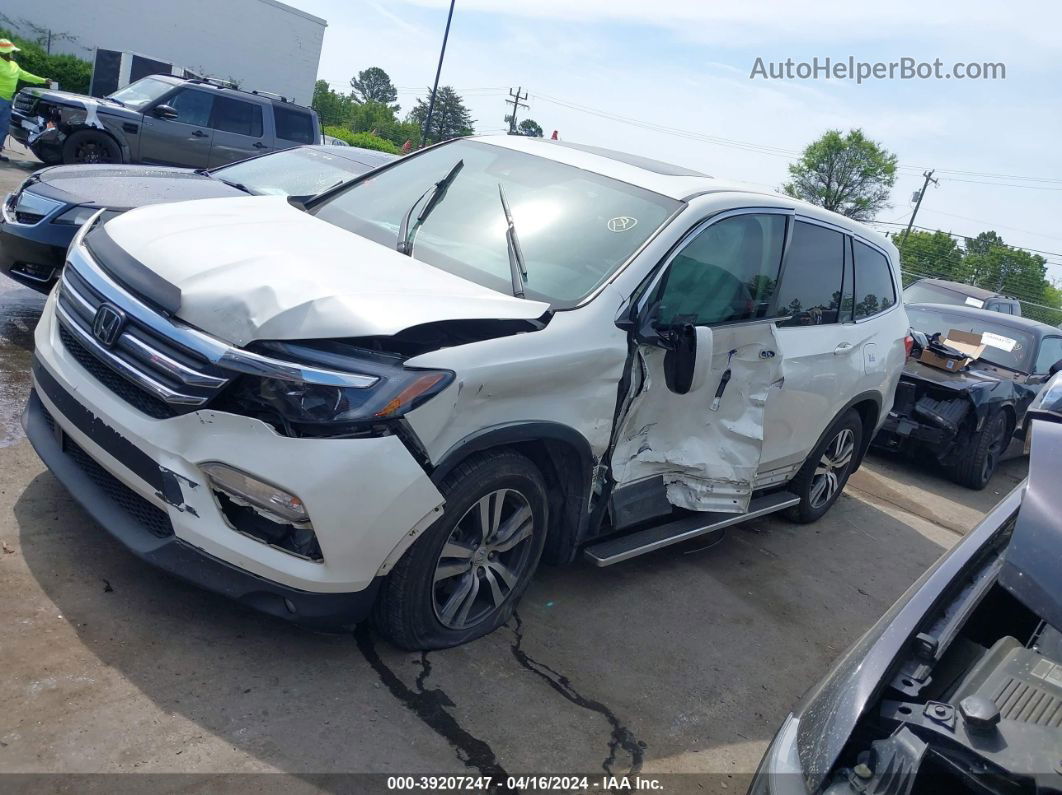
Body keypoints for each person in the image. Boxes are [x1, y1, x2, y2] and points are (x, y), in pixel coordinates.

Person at [0, 39, 50, 162]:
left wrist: (43, 80)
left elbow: (26, 75)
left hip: (6, 101)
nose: (10, 54)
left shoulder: (14, 65)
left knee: (4, 128)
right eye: (9, 52)